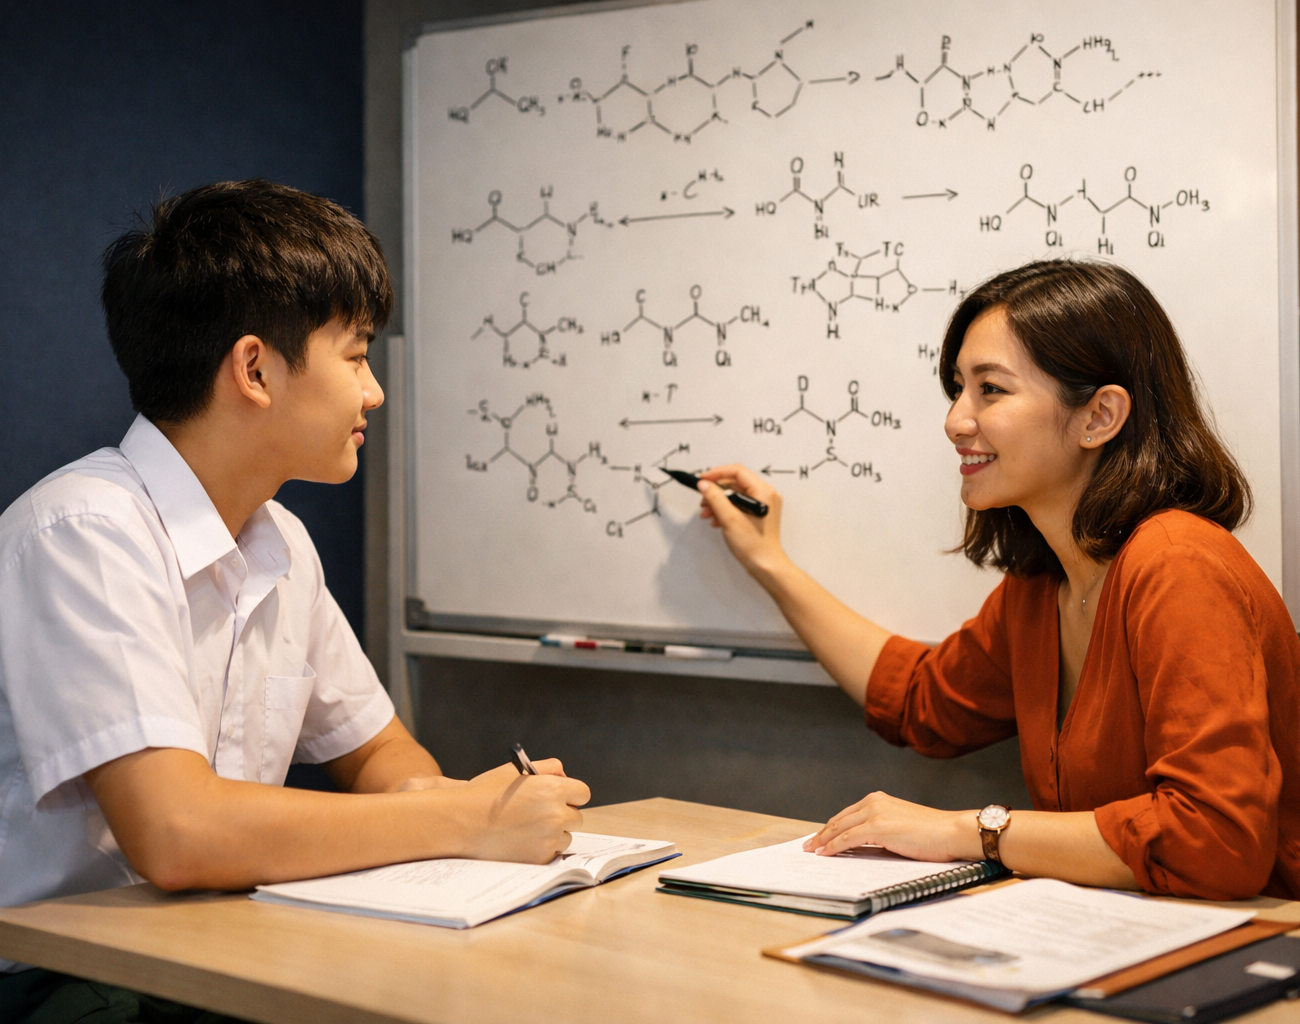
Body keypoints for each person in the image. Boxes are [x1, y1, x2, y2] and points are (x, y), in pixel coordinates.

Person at [0, 180, 589, 1014]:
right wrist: (465, 822)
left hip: (215, 950)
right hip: (60, 979)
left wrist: (448, 804)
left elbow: (381, 755)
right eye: (355, 356)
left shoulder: (280, 540)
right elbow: (177, 834)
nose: (373, 391)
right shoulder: (84, 532)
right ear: (255, 369)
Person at [696, 259, 1299, 902]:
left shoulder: (1178, 565)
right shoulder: (1041, 587)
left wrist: (971, 832)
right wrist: (768, 561)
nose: (956, 420)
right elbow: (921, 700)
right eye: (958, 388)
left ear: (1099, 416)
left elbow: (1214, 841)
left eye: (991, 389)